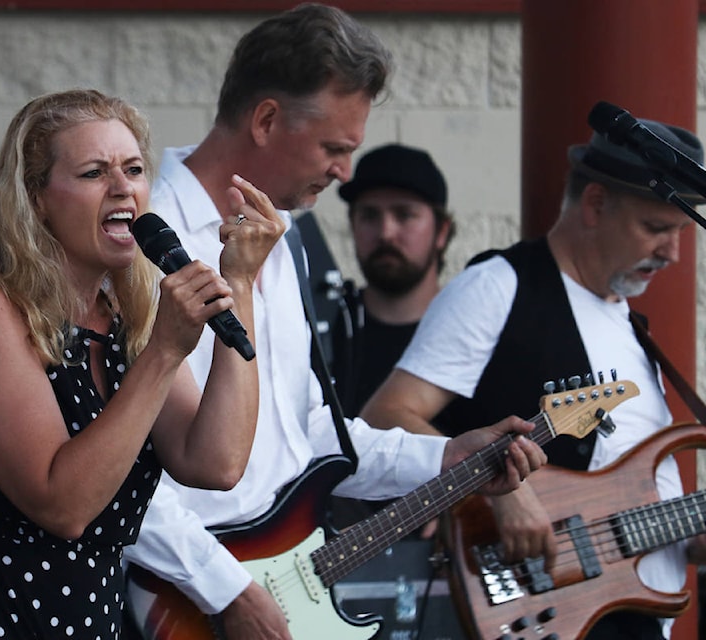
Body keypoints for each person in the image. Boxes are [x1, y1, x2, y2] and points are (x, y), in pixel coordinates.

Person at [122, 5, 547, 640]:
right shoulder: (142, 243)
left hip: (278, 583)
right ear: (266, 119)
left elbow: (311, 435)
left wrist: (446, 457)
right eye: (334, 147)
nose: (345, 172)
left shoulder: (285, 236)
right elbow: (116, 464)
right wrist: (225, 589)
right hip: (183, 600)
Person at [0, 88, 285, 638]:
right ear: (36, 198)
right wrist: (166, 349)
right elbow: (63, 505)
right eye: (94, 172)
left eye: (135, 169)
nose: (124, 188)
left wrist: (238, 282)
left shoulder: (128, 314)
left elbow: (215, 462)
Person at [361, 117, 706, 639]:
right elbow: (386, 415)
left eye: (678, 232)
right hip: (532, 611)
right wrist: (496, 491)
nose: (672, 252)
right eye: (656, 229)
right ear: (594, 203)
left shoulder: (632, 329)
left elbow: (629, 504)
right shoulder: (498, 287)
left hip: (627, 617)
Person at [330, 142, 455, 418]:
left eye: (404, 215)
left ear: (442, 231)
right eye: (369, 215)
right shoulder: (324, 328)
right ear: (352, 225)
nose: (386, 233)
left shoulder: (469, 330)